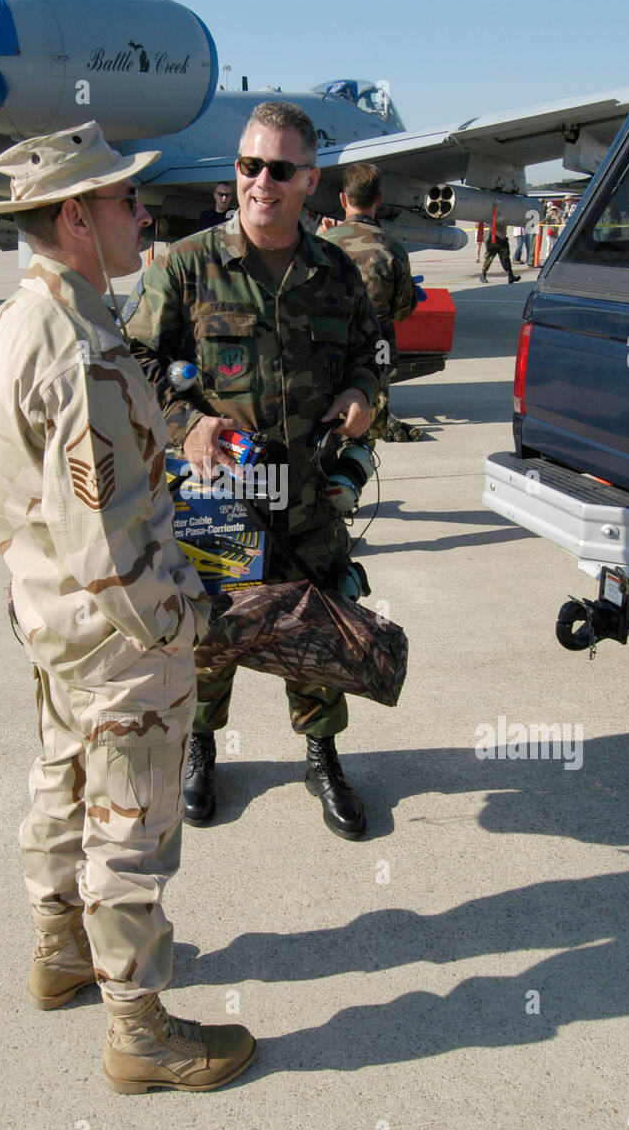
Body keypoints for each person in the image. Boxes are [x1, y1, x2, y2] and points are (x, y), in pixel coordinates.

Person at [0, 122, 255, 1094]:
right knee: (128, 830)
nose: (144, 214)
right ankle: (140, 1031)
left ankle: (59, 954)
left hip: (50, 621)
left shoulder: (15, 323)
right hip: (118, 634)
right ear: (74, 218)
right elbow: (107, 542)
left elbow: (53, 494)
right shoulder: (84, 347)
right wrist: (182, 628)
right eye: (125, 202)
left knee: (60, 782)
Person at [128, 100, 382, 841]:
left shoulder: (334, 272)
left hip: (304, 497)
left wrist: (365, 393)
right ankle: (203, 748)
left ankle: (321, 754)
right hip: (219, 499)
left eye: (277, 168)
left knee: (318, 626)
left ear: (309, 179)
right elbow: (132, 362)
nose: (259, 182)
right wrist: (189, 422)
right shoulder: (187, 265)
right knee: (211, 635)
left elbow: (373, 355)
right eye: (248, 165)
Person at [322, 162, 418, 442]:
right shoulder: (393, 250)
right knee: (374, 409)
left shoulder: (322, 245)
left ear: (343, 199)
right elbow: (403, 311)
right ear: (379, 200)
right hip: (379, 344)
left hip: (331, 343)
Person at [479, 216, 520, 283]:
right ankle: (483, 274)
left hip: (502, 240)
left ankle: (510, 276)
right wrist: (498, 233)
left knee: (506, 258)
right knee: (489, 259)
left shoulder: (505, 214)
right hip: (493, 240)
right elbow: (489, 224)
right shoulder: (493, 214)